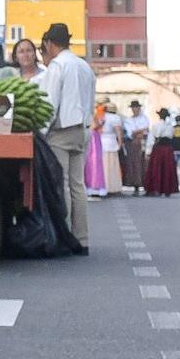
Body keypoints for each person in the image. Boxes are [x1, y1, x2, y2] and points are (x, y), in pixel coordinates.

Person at [36, 23, 96, 248]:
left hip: (60, 131)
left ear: (50, 44)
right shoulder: (83, 66)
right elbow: (90, 100)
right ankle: (81, 239)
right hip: (81, 130)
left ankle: (63, 238)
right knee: (78, 186)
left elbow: (50, 104)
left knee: (60, 185)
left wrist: (41, 132)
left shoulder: (58, 66)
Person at [143, 107, 180, 195]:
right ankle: (167, 189)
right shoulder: (170, 126)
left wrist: (148, 151)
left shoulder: (156, 126)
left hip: (158, 149)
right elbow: (171, 137)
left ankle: (156, 188)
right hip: (167, 149)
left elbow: (151, 139)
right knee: (167, 169)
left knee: (156, 169)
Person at [119, 99, 150, 195]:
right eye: (133, 107)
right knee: (132, 164)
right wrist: (140, 131)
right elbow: (131, 132)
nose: (135, 109)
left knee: (142, 163)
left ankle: (144, 184)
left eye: (136, 107)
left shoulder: (144, 118)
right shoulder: (129, 120)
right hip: (132, 144)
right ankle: (135, 184)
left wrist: (139, 131)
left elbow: (145, 130)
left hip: (142, 143)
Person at [85, 100, 109, 199]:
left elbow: (94, 126)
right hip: (93, 138)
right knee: (92, 162)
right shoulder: (95, 115)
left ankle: (94, 186)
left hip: (93, 138)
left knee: (94, 162)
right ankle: (93, 186)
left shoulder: (96, 115)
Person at [100, 101, 126, 193]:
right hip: (111, 141)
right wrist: (120, 142)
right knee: (112, 165)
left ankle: (103, 186)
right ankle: (113, 187)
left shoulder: (101, 116)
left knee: (103, 165)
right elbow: (118, 131)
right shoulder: (115, 118)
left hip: (101, 140)